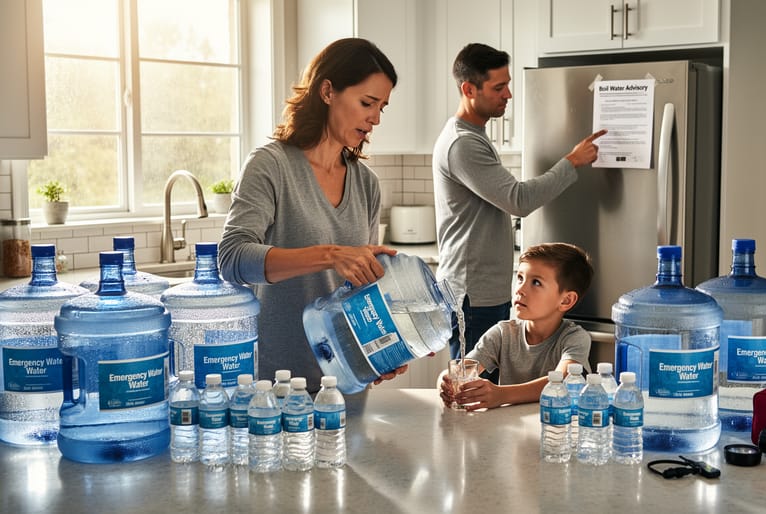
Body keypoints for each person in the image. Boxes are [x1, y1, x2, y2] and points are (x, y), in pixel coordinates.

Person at [218, 38, 407, 391]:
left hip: (345, 384)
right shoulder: (270, 165)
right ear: (327, 91)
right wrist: (331, 255)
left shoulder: (366, 183)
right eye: (367, 103)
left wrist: (382, 349)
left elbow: (362, 291)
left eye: (382, 107)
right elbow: (232, 258)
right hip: (276, 388)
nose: (376, 118)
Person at [432, 42, 606, 362]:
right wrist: (572, 161)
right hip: (473, 296)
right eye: (499, 87)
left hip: (484, 292)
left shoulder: (473, 135)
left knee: (486, 385)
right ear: (469, 89)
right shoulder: (463, 144)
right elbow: (519, 200)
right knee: (471, 385)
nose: (508, 95)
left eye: (508, 85)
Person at [439, 243, 593, 410]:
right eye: (520, 278)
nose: (520, 289)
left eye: (536, 282)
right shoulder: (502, 333)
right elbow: (462, 369)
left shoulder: (575, 338)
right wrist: (446, 381)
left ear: (566, 300)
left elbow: (564, 381)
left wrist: (502, 395)